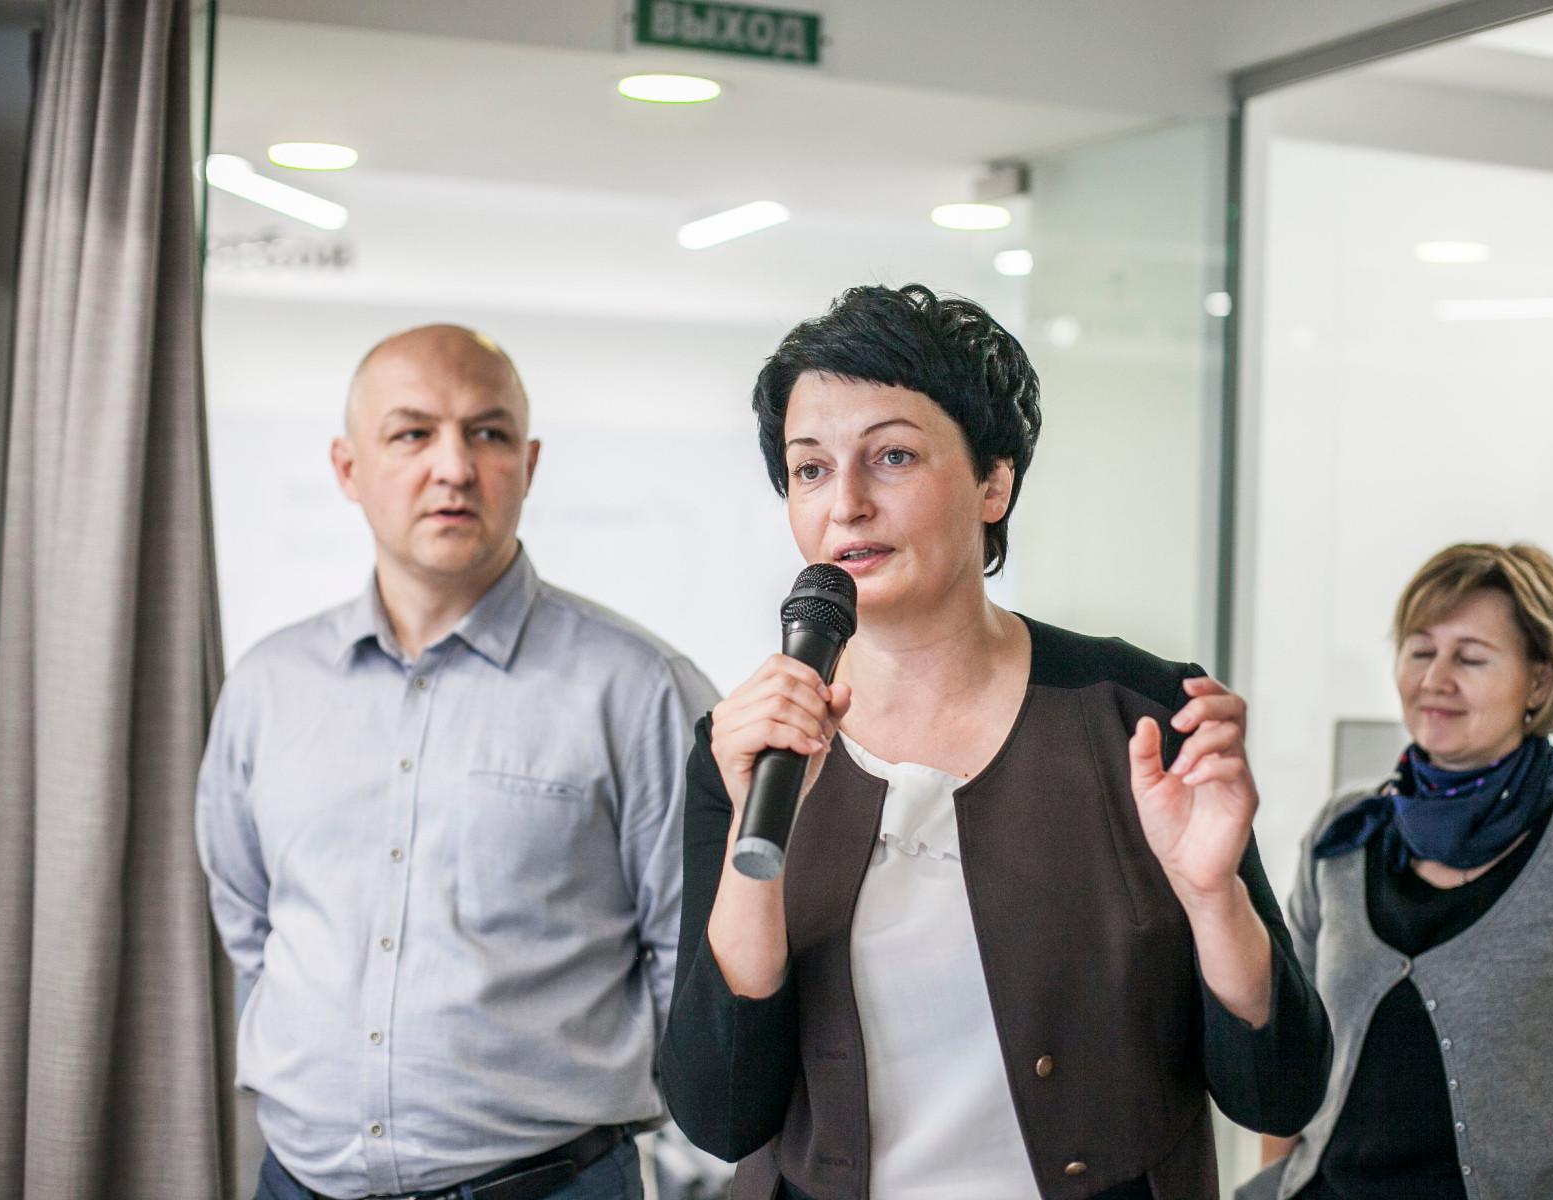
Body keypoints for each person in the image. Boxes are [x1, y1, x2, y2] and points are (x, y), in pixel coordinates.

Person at [659, 284, 1332, 1200]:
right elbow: (720, 1116)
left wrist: (1214, 898)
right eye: (810, 469)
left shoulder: (1142, 715)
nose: (845, 504)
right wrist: (754, 846)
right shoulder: (744, 747)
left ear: (993, 483)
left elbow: (1278, 1091)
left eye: (893, 456)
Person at [197, 325, 716, 1200]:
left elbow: (693, 963)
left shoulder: (641, 689)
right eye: (412, 433)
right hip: (296, 1185)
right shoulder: (267, 688)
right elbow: (253, 926)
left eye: (488, 433)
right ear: (348, 467)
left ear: (529, 464)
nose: (454, 467)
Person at [1244, 543, 1553, 1200]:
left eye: (1469, 657)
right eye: (1420, 650)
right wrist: (1277, 1182)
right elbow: (1291, 1038)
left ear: (1539, 682)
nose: (1435, 678)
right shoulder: (1344, 830)